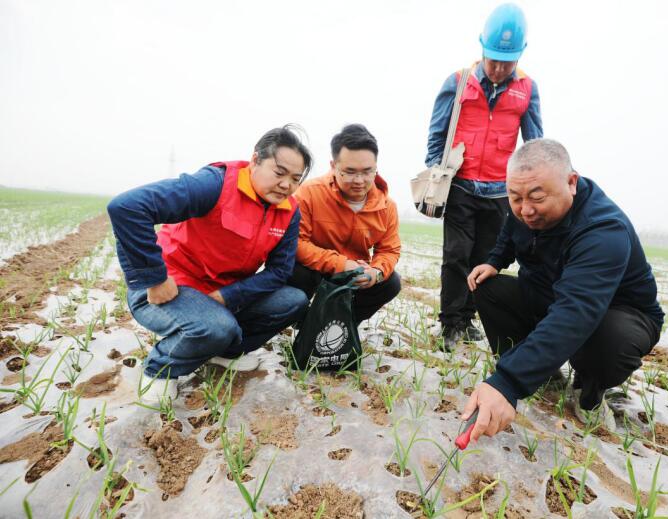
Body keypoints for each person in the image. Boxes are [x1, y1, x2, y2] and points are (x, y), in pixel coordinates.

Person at [461, 139, 664, 440]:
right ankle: (543, 374)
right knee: (486, 287)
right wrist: (494, 260)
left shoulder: (603, 230)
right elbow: (510, 229)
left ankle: (589, 393)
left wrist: (508, 381)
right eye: (515, 197)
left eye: (536, 198)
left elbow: (575, 312)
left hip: (613, 313)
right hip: (550, 294)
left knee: (610, 337)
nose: (525, 210)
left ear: (571, 183)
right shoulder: (525, 209)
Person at [107, 125, 313, 404]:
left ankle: (223, 354)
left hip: (219, 292)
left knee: (293, 300)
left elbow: (279, 272)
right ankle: (159, 369)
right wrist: (154, 278)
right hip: (171, 287)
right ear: (255, 160)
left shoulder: (289, 211)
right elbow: (128, 207)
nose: (286, 185)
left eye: (295, 179)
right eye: (279, 172)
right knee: (218, 327)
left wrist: (227, 296)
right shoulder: (216, 183)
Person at [425, 3, 543, 351]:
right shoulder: (458, 82)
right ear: (481, 48)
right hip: (460, 185)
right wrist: (437, 173)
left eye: (507, 62)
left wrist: (530, 186)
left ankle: (468, 318)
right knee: (456, 255)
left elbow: (534, 142)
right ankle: (450, 323)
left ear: (520, 56)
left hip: (498, 192)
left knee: (484, 259)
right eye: (493, 60)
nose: (498, 68)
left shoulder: (527, 89)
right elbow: (437, 132)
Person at [289, 124, 401, 323]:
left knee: (391, 282)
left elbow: (389, 250)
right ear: (333, 166)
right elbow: (296, 244)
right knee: (296, 270)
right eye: (349, 172)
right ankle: (301, 319)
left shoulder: (387, 206)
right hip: (316, 269)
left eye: (368, 171)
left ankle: (342, 322)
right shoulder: (309, 193)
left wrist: (375, 272)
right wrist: (341, 264)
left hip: (356, 275)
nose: (359, 180)